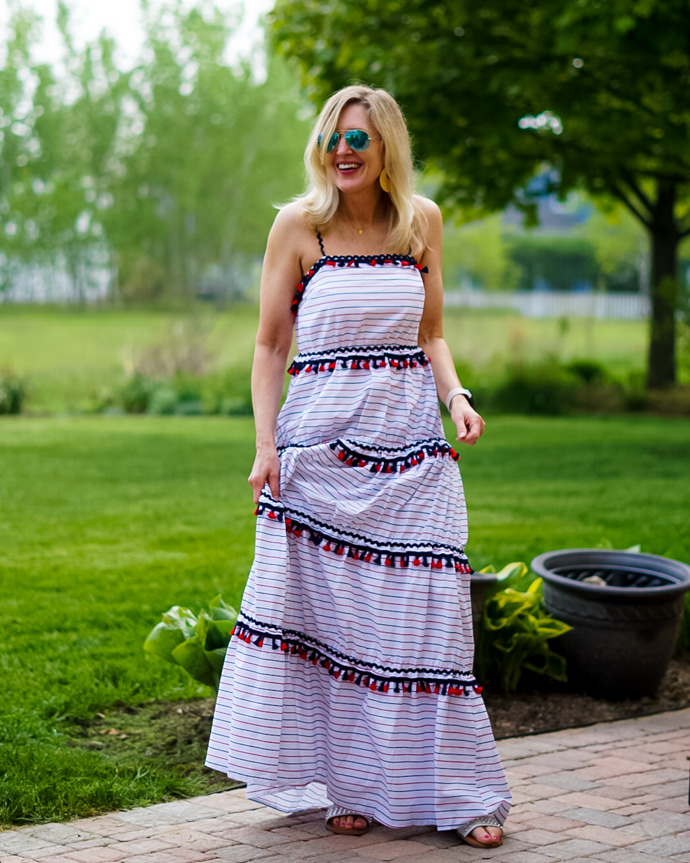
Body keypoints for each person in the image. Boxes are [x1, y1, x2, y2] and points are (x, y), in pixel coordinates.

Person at [206, 84, 511, 848]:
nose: (343, 151)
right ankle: (348, 785)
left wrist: (457, 395)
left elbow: (432, 333)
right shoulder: (297, 227)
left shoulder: (421, 222)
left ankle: (463, 791)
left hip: (412, 450)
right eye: (334, 138)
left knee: (428, 627)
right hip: (321, 457)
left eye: (359, 141)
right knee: (337, 628)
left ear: (385, 153)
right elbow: (270, 346)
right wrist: (266, 446)